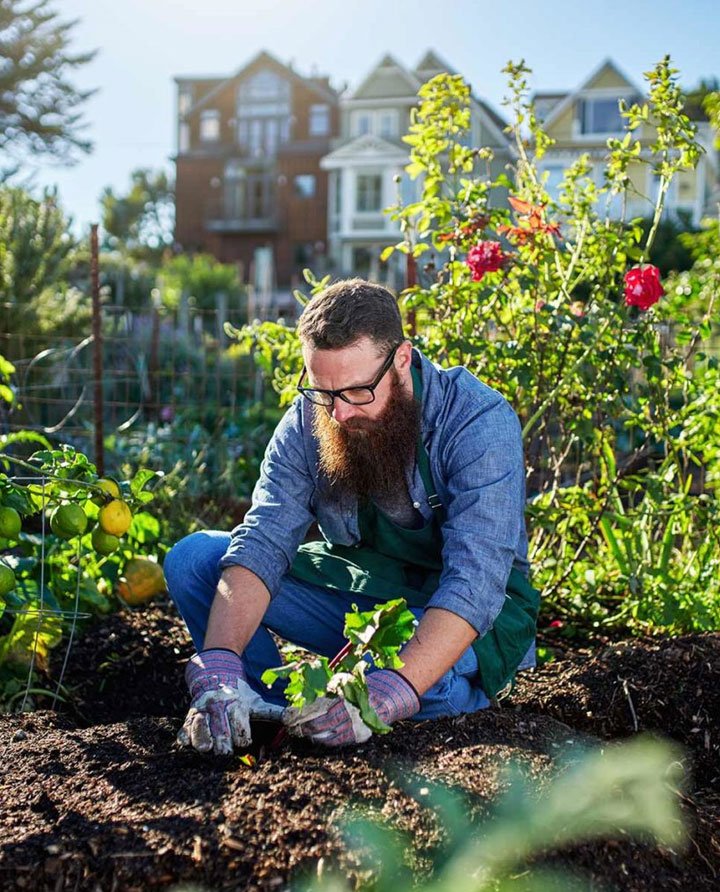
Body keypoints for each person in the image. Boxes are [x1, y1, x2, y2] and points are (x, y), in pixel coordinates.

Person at [164, 278, 539, 755]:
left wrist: (393, 691)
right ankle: (271, 714)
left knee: (420, 686)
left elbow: (476, 581)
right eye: (323, 391)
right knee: (195, 560)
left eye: (359, 391)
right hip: (367, 594)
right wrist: (218, 661)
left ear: (401, 359)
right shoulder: (310, 419)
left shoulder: (476, 420)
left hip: (466, 612)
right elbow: (263, 539)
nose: (339, 413)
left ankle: (430, 697)